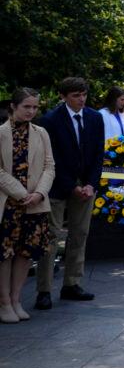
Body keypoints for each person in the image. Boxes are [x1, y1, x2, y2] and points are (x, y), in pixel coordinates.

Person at [35, 77, 104, 309]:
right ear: (63, 96)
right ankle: (44, 290)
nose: (81, 99)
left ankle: (72, 284)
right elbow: (51, 158)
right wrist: (70, 185)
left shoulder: (95, 118)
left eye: (84, 94)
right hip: (56, 186)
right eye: (76, 95)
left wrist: (91, 184)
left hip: (85, 187)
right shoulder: (50, 120)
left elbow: (98, 155)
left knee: (80, 234)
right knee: (51, 237)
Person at [0, 89, 55, 323]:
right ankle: (3, 302)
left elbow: (49, 166)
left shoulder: (41, 133)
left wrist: (40, 193)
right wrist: (22, 194)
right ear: (14, 106)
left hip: (35, 204)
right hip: (8, 203)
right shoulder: (1, 132)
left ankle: (15, 299)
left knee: (25, 253)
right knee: (5, 253)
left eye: (35, 107)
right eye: (27, 107)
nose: (31, 111)